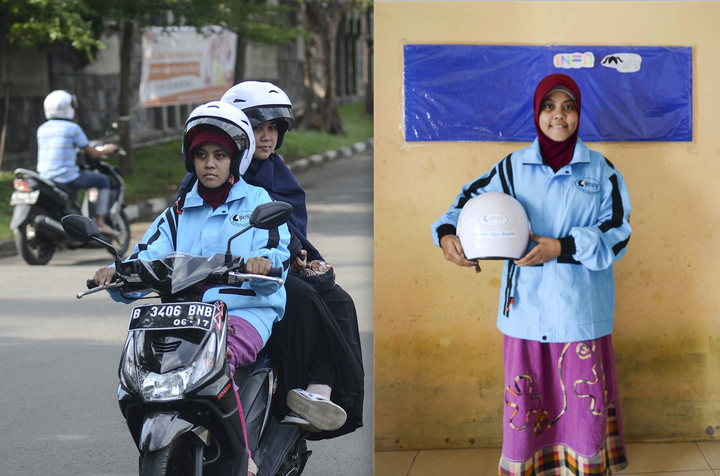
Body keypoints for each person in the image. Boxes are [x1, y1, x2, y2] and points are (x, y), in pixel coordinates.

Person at [432, 74, 631, 475]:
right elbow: (463, 205)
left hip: (581, 311)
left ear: (579, 113)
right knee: (527, 403)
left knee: (583, 404)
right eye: (549, 106)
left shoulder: (602, 170)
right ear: (537, 112)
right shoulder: (511, 168)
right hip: (525, 310)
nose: (559, 115)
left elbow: (618, 233)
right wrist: (447, 234)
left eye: (568, 106)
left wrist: (561, 247)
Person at [94, 101, 291, 476]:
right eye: (201, 154)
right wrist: (116, 274)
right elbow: (147, 255)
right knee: (142, 371)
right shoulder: (178, 211)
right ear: (191, 159)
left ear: (235, 158)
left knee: (220, 360)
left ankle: (244, 459)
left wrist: (263, 262)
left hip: (245, 311)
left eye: (220, 154)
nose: (210, 163)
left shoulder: (257, 203)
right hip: (185, 317)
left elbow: (274, 245)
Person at [177, 81, 365, 438]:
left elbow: (289, 229)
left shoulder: (278, 171)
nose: (265, 137)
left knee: (339, 299)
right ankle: (291, 397)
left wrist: (300, 256)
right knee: (305, 298)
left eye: (272, 129)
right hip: (227, 276)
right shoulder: (220, 172)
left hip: (272, 261)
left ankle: (324, 393)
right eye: (257, 128)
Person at [37, 90, 120, 236]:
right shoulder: (73, 128)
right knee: (104, 181)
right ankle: (100, 223)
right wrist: (109, 149)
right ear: (67, 107)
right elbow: (92, 153)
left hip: (45, 176)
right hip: (66, 176)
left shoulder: (42, 129)